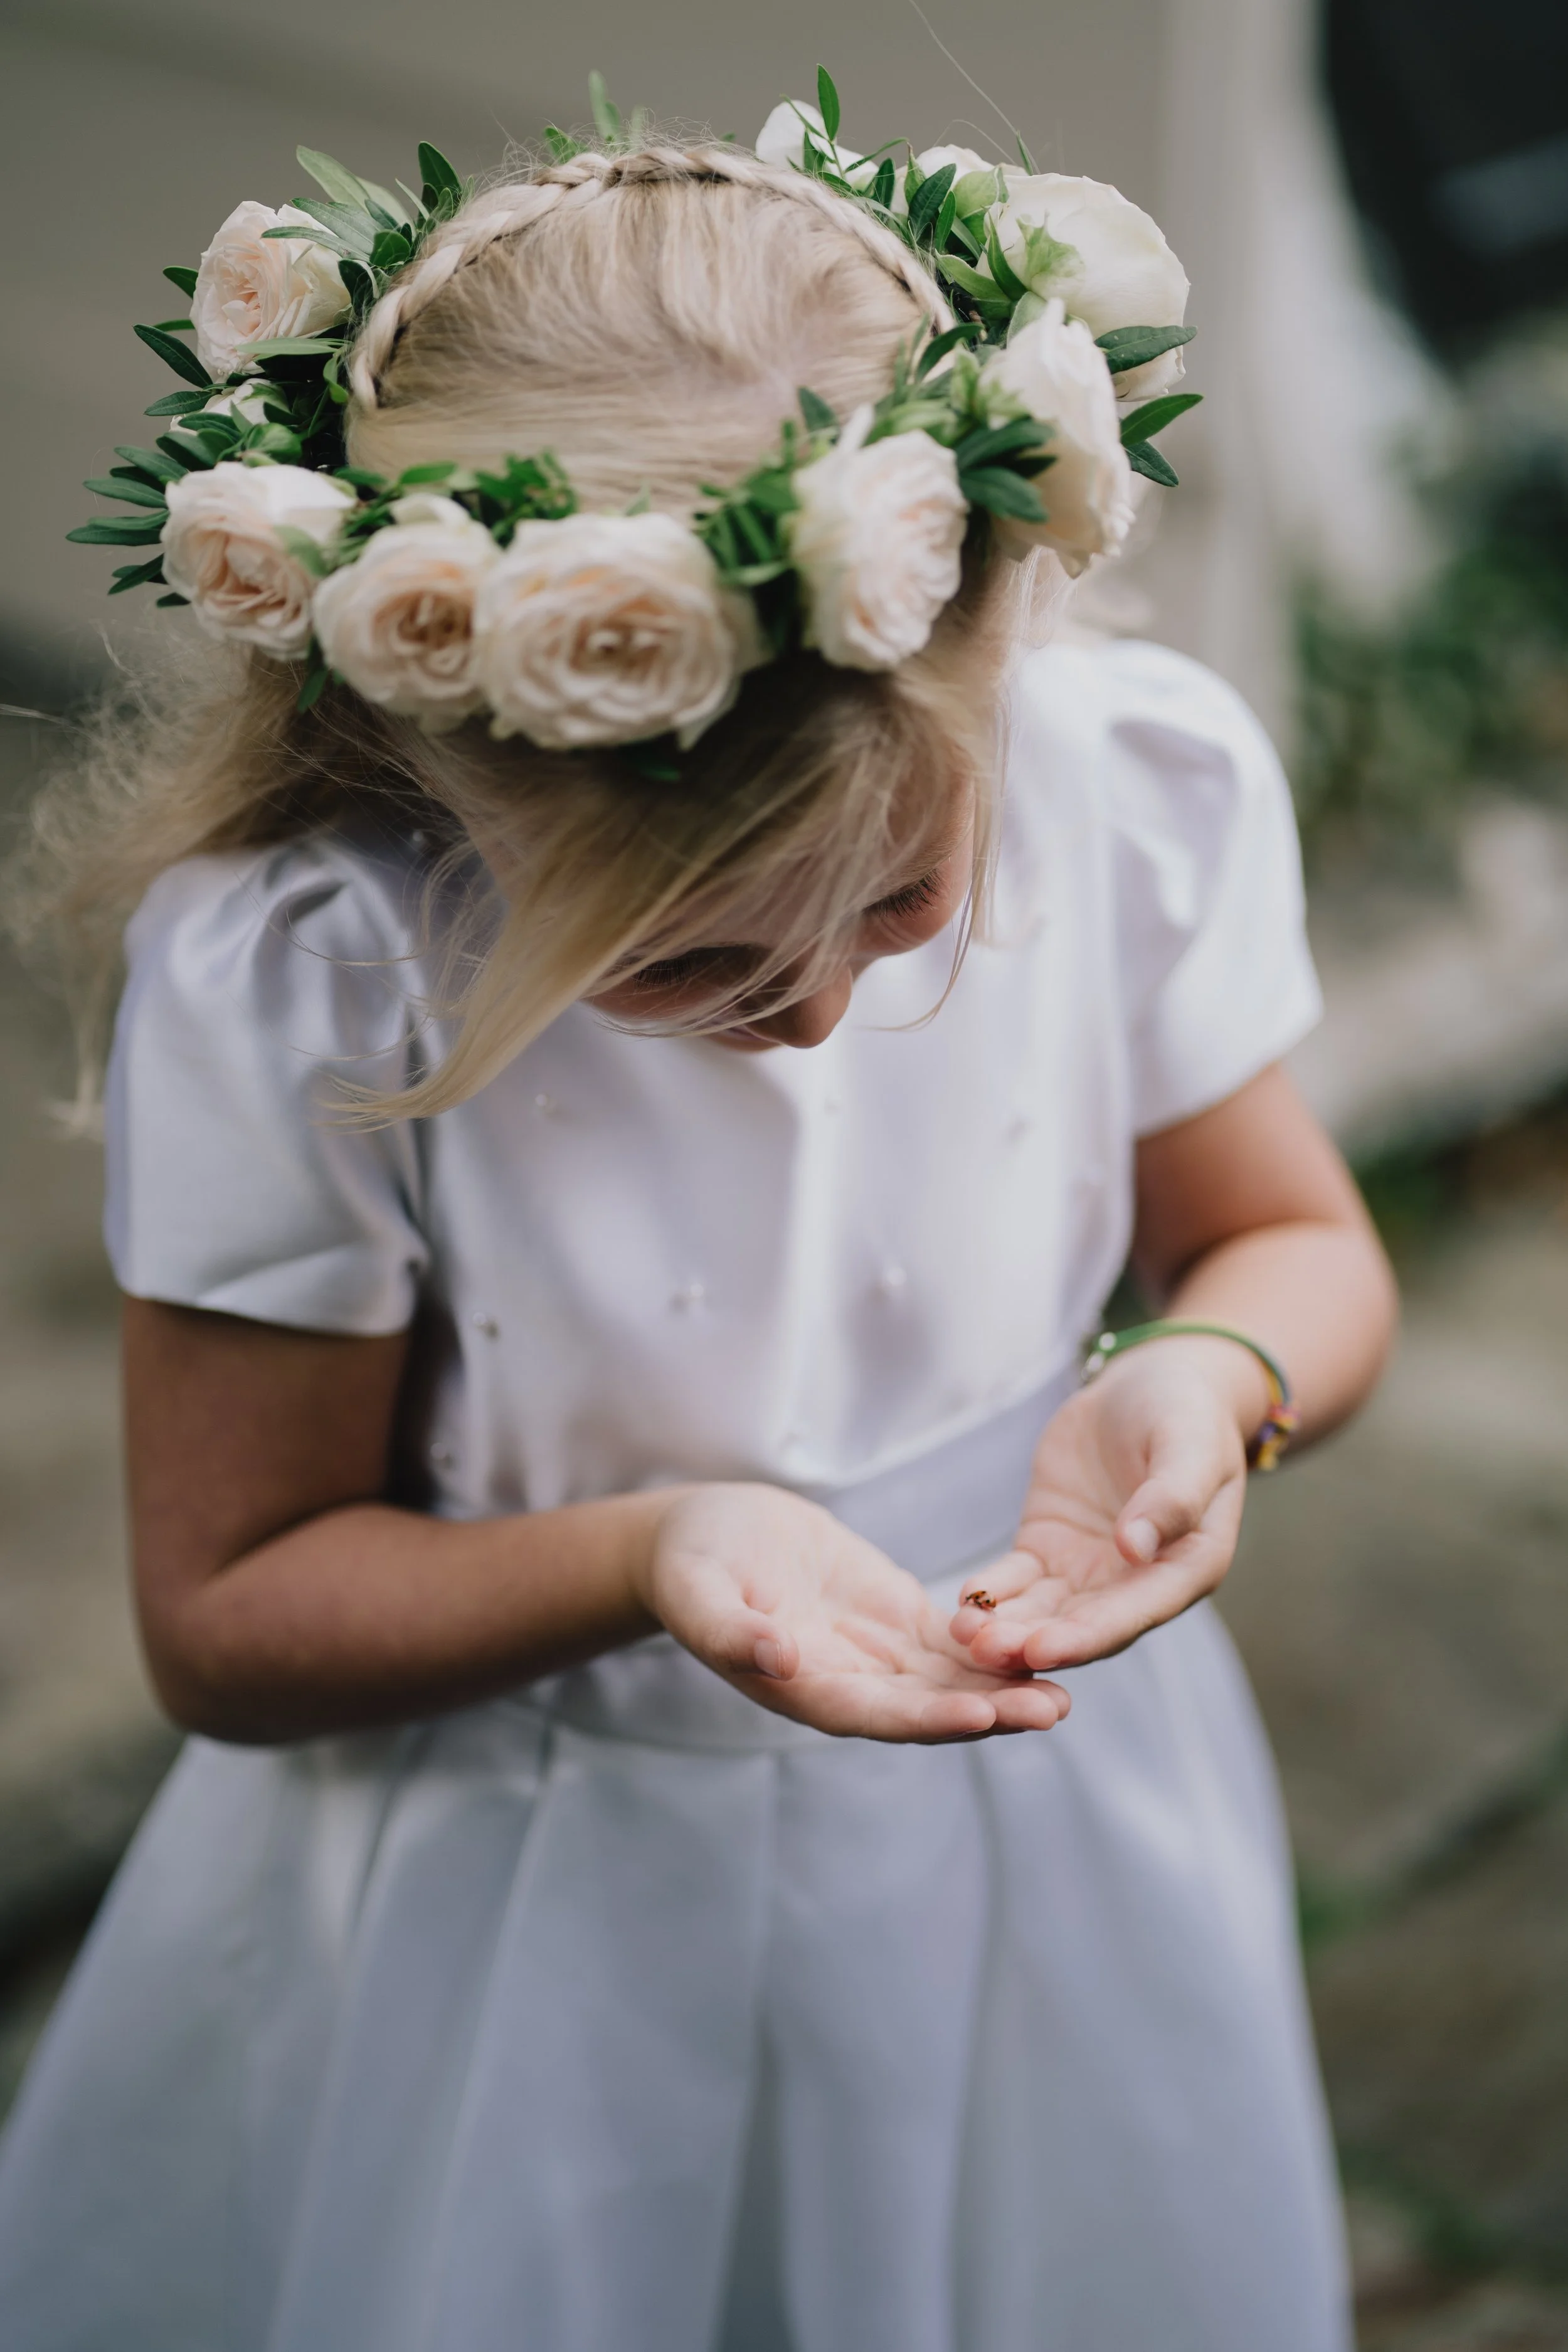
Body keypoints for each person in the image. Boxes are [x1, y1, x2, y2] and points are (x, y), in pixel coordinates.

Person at [0, 98, 1395, 2352]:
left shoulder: (1129, 783)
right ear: (439, 736)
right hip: (529, 1870)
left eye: (903, 907)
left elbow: (1292, 1246)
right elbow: (229, 1612)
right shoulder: (319, 976)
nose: (821, 1013)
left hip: (1043, 1815)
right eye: (683, 972)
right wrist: (656, 1552)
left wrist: (1209, 1382)